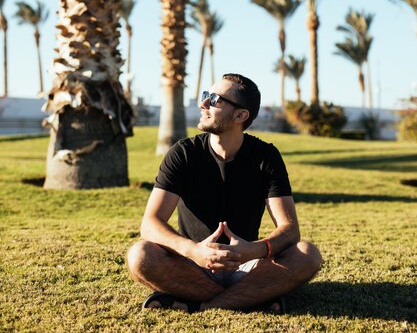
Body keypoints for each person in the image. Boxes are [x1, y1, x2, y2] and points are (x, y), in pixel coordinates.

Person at [127, 73, 322, 313]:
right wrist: (193, 251)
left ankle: (200, 305)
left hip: (245, 266)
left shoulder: (265, 157)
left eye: (214, 99)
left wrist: (254, 250)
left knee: (308, 255)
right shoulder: (183, 154)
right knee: (140, 255)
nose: (203, 104)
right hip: (190, 266)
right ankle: (253, 300)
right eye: (205, 96)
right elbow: (150, 224)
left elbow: (290, 230)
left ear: (241, 115)